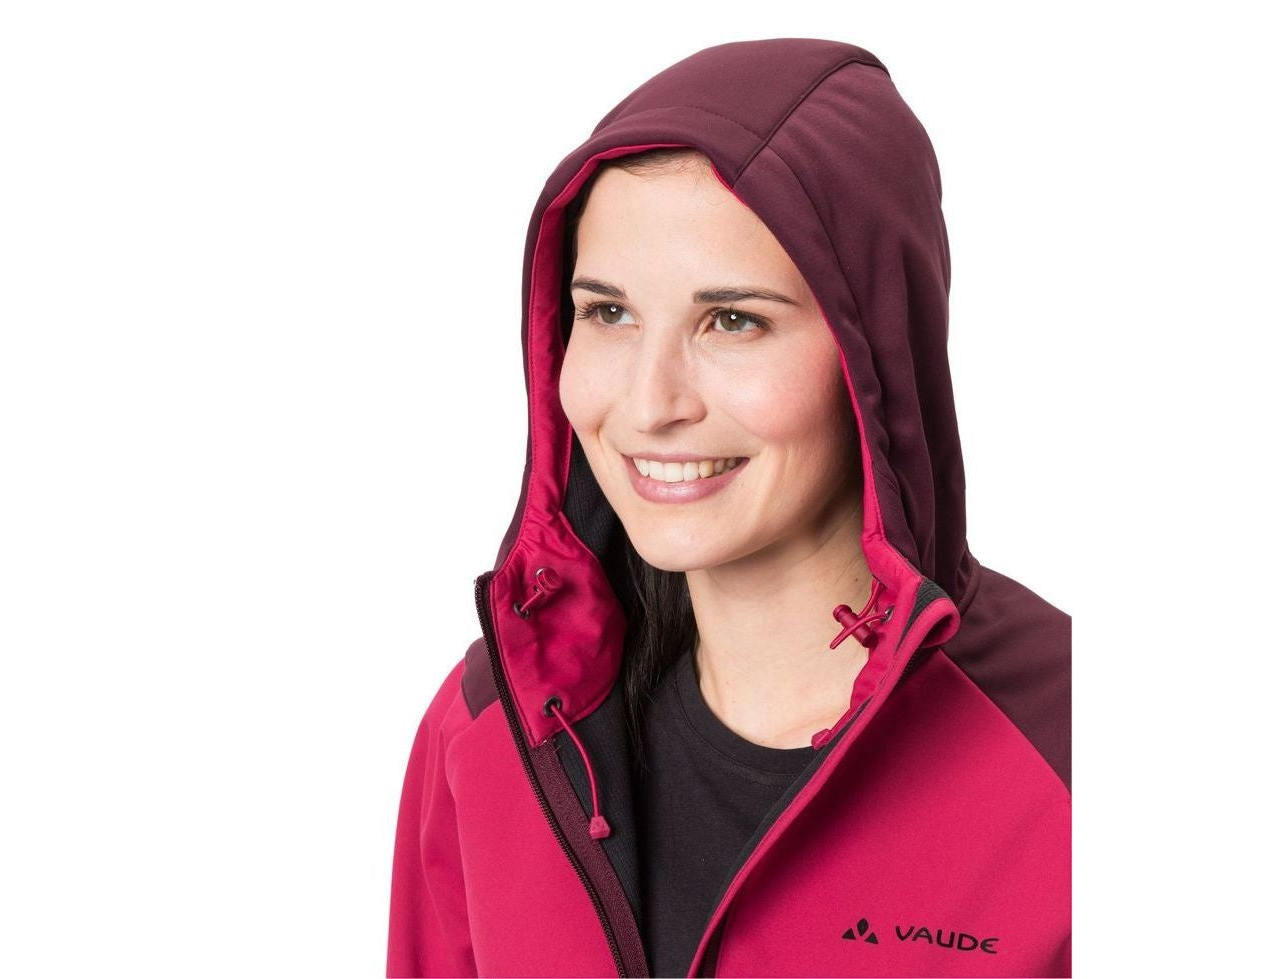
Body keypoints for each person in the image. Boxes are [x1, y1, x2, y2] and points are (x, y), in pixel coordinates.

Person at [386, 37, 1071, 978]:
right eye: (608, 313)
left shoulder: (1071, 750)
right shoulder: (491, 731)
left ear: (874, 350)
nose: (650, 403)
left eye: (733, 320)